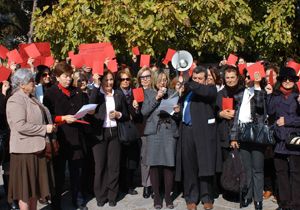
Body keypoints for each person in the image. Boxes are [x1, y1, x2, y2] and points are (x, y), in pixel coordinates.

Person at [6, 69, 56, 210]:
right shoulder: (15, 99)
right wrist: (44, 129)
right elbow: (20, 125)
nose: (34, 83)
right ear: (22, 84)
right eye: (31, 81)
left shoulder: (30, 97)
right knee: (25, 192)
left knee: (34, 190)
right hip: (23, 152)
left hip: (36, 149)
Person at [43, 62, 89, 210]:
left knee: (77, 172)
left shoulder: (78, 92)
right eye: (65, 76)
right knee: (59, 174)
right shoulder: (50, 93)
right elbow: (48, 115)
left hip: (76, 136)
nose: (68, 79)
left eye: (70, 76)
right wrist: (63, 118)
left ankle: (79, 200)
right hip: (60, 137)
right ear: (57, 77)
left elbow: (83, 109)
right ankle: (56, 203)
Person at [177, 66, 218, 210]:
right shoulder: (188, 92)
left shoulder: (210, 90)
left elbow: (203, 91)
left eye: (200, 79)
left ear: (206, 80)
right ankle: (191, 197)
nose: (197, 81)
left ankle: (207, 197)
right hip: (187, 131)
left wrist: (189, 81)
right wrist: (178, 110)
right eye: (195, 78)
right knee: (189, 166)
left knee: (204, 165)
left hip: (203, 133)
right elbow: (182, 108)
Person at [88, 69, 128, 207]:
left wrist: (119, 115)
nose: (109, 82)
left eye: (111, 79)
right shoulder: (97, 94)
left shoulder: (118, 94)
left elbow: (126, 114)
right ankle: (100, 195)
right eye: (106, 80)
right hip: (100, 133)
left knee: (114, 166)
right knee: (100, 166)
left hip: (115, 133)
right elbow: (90, 107)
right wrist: (96, 85)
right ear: (102, 81)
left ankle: (112, 195)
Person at [141, 71, 180, 209]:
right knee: (155, 164)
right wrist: (157, 98)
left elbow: (177, 114)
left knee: (169, 164)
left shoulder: (173, 93)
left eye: (165, 80)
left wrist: (177, 111)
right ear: (155, 81)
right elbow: (144, 112)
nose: (163, 82)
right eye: (160, 80)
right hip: (154, 132)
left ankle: (168, 196)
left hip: (169, 131)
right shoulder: (149, 93)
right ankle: (157, 196)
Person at [230, 69, 266, 210]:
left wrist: (257, 85)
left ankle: (258, 199)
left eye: (251, 77)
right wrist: (233, 136)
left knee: (257, 169)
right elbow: (236, 118)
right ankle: (248, 196)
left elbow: (259, 105)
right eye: (247, 77)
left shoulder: (261, 91)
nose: (248, 79)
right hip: (243, 134)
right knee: (247, 169)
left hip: (257, 135)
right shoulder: (240, 93)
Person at [265, 67, 300, 210]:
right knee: (281, 173)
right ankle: (284, 204)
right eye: (284, 79)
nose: (287, 82)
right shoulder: (277, 95)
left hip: (295, 140)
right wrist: (269, 94)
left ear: (294, 81)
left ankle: (296, 204)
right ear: (280, 81)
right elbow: (271, 111)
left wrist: (287, 120)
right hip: (279, 140)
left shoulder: (298, 97)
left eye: (290, 79)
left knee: (296, 173)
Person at [215, 65, 244, 201]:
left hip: (241, 134)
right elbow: (212, 112)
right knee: (226, 163)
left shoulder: (244, 93)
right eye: (227, 78)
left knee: (240, 163)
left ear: (237, 78)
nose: (230, 80)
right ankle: (227, 189)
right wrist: (220, 114)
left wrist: (236, 113)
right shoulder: (220, 94)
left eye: (233, 77)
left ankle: (241, 188)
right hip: (224, 134)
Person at [116, 69, 141, 195]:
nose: (125, 81)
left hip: (133, 129)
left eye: (127, 79)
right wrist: (127, 114)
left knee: (132, 159)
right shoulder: (116, 93)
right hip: (121, 129)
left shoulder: (135, 93)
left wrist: (136, 109)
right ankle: (122, 185)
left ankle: (130, 184)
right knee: (121, 159)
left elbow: (138, 114)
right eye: (122, 79)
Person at [136, 67, 153, 198]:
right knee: (145, 158)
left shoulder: (156, 91)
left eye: (147, 76)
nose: (145, 79)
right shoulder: (136, 92)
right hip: (143, 129)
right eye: (143, 77)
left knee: (155, 158)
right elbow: (137, 114)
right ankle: (146, 185)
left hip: (156, 129)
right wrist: (135, 107)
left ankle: (155, 183)